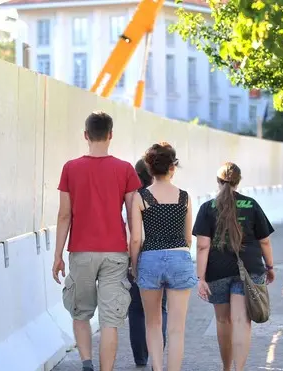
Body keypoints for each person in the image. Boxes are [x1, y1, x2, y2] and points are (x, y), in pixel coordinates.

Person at [52, 111, 142, 371]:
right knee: (110, 319)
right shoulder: (125, 169)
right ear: (111, 135)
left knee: (80, 312)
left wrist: (58, 255)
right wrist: (133, 258)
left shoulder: (70, 168)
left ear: (85, 135)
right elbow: (133, 218)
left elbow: (64, 215)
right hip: (115, 252)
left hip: (81, 251)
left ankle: (87, 363)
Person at [192, 162, 276, 371]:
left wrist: (200, 278)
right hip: (248, 270)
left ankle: (227, 368)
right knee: (241, 321)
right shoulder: (252, 205)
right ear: (238, 181)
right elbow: (264, 241)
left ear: (219, 182)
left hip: (217, 271)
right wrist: (270, 266)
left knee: (223, 321)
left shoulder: (207, 207)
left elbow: (202, 246)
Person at [129, 143, 196, 371]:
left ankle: (156, 368)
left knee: (153, 323)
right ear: (173, 168)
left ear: (149, 168)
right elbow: (188, 238)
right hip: (179, 256)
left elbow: (136, 239)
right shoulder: (185, 197)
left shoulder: (141, 197)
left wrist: (135, 266)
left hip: (150, 258)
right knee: (177, 329)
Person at [127, 159, 168, 367]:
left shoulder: (133, 196)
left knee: (135, 308)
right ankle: (157, 356)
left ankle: (140, 357)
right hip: (160, 254)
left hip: (136, 253)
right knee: (160, 307)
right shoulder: (163, 194)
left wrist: (133, 264)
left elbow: (133, 235)